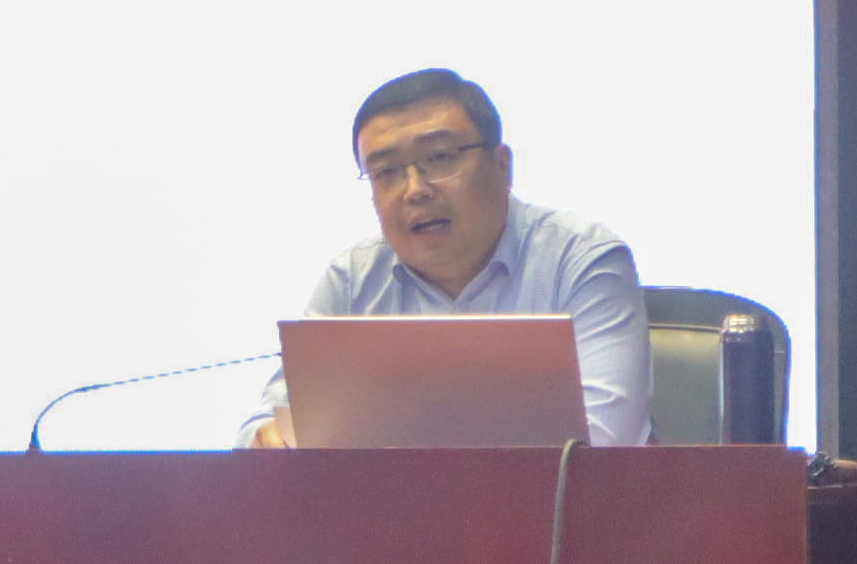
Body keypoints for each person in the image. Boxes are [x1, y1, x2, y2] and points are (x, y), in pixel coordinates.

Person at [247, 67, 652, 446]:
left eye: (439, 158)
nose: (414, 190)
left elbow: (602, 440)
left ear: (502, 165)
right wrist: (270, 441)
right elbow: (266, 424)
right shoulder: (352, 281)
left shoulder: (581, 261)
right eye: (386, 172)